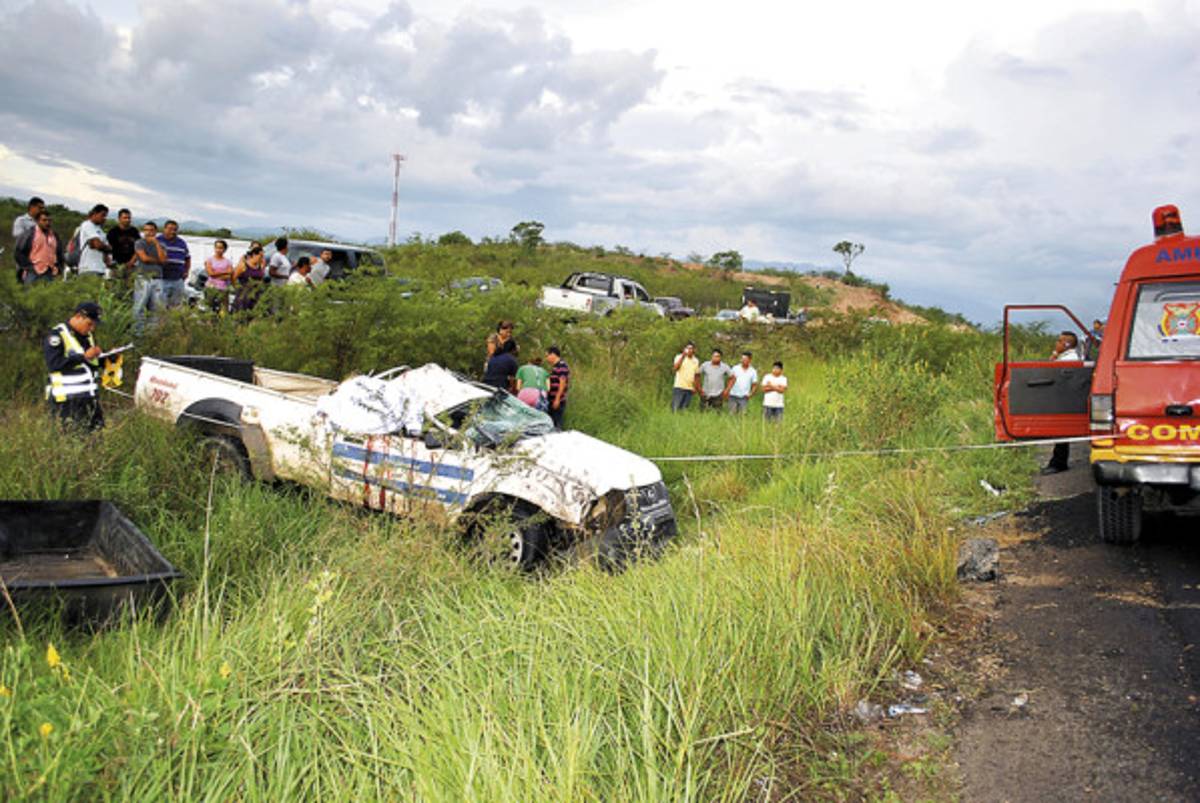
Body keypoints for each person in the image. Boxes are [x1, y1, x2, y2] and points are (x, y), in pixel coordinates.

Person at [44, 301, 105, 431]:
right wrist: (83, 357)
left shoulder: (87, 337)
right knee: (73, 440)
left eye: (94, 325)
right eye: (89, 324)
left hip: (89, 398)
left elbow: (91, 364)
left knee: (97, 438)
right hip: (67, 401)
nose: (92, 329)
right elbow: (54, 364)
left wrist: (107, 358)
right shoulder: (57, 335)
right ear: (78, 316)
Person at [1042, 332, 1084, 474]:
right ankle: (1058, 461)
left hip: (1065, 400)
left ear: (1066, 344)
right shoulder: (1065, 357)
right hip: (1064, 398)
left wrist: (1054, 356)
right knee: (1060, 433)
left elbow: (1049, 372)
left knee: (1061, 432)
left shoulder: (1069, 359)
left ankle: (1058, 463)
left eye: (1059, 341)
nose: (1056, 343)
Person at [131, 222, 166, 334]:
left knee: (156, 308)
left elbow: (164, 260)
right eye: (146, 230)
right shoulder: (139, 243)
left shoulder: (162, 245)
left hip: (158, 279)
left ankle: (151, 334)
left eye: (151, 230)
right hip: (143, 277)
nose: (148, 232)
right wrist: (158, 261)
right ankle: (138, 333)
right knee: (139, 306)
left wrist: (156, 244)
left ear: (155, 232)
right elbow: (144, 258)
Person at [14, 210, 64, 284]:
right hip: (33, 274)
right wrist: (30, 267)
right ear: (37, 221)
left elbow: (59, 253)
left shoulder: (54, 235)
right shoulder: (29, 234)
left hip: (50, 273)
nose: (47, 222)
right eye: (44, 220)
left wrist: (59, 268)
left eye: (49, 220)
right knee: (31, 294)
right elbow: (18, 253)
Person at [156, 220, 190, 308]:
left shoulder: (181, 243)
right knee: (160, 307)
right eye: (170, 229)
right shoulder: (157, 241)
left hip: (177, 279)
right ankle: (161, 322)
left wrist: (186, 271)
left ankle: (171, 322)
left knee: (176, 307)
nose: (173, 232)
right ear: (164, 229)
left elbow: (187, 258)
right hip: (162, 279)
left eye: (175, 230)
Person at [12, 196, 44, 280]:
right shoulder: (21, 221)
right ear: (32, 207)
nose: (42, 210)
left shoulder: (42, 222)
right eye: (40, 208)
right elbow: (19, 237)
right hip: (25, 259)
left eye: (43, 208)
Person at [77, 204, 112, 278]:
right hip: (88, 268)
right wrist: (104, 247)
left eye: (105, 216)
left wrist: (103, 247)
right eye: (102, 215)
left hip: (100, 268)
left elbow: (104, 248)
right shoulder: (87, 225)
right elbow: (98, 245)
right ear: (94, 214)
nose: (104, 218)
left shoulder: (100, 230)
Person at [233, 241, 268, 312]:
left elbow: (261, 277)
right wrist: (238, 289)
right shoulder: (243, 264)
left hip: (256, 294)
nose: (262, 258)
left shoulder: (260, 265)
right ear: (254, 254)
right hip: (244, 294)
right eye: (260, 256)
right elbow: (233, 278)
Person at [106, 208, 140, 274]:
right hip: (116, 265)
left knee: (130, 284)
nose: (127, 220)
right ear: (119, 219)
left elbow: (139, 248)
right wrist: (108, 261)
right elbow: (107, 248)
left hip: (132, 265)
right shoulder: (113, 231)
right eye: (125, 218)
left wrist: (131, 262)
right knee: (116, 283)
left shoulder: (134, 231)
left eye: (129, 218)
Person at [204, 239, 235, 310]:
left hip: (223, 288)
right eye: (216, 247)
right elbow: (210, 273)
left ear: (225, 249)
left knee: (223, 309)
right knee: (210, 308)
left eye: (221, 248)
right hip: (211, 288)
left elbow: (229, 275)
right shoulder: (209, 260)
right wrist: (225, 272)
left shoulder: (228, 262)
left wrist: (216, 275)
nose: (218, 250)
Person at [671, 342, 701, 412]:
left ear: (694, 350)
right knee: (676, 407)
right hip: (679, 386)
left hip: (689, 388)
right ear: (685, 349)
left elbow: (696, 375)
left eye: (691, 348)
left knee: (684, 408)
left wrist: (695, 387)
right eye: (688, 348)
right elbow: (675, 368)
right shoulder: (678, 357)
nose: (690, 350)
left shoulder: (696, 360)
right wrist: (683, 357)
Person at [546, 346, 570, 429]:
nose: (547, 358)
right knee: (551, 423)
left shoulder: (562, 365)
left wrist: (557, 399)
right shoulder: (555, 367)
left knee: (557, 424)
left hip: (558, 400)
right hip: (551, 399)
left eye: (547, 356)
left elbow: (562, 383)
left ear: (553, 354)